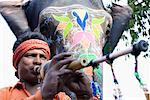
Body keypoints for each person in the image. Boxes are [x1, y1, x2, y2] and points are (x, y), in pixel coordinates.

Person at [0, 32, 93, 100]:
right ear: (17, 63)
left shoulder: (62, 97)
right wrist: (44, 96)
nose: (38, 61)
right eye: (31, 55)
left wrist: (84, 97)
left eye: (43, 57)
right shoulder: (4, 95)